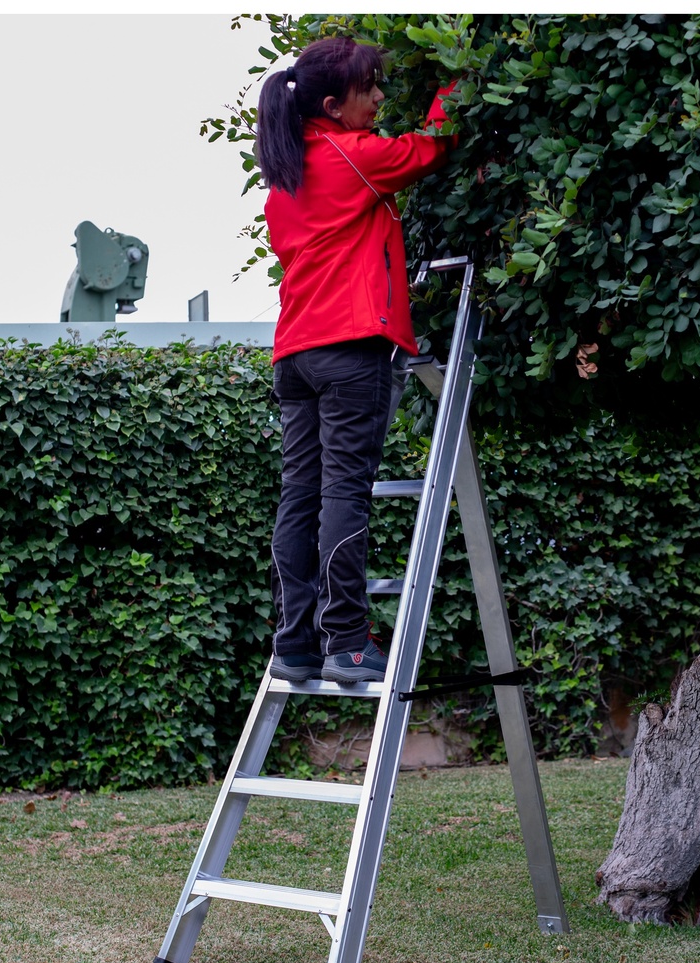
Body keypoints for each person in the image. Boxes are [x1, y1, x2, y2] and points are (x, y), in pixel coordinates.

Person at [254, 36, 456, 685]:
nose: (379, 98)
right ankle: (345, 639)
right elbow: (428, 147)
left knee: (300, 495)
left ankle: (295, 639)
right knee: (344, 491)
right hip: (348, 349)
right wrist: (460, 79)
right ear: (334, 105)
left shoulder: (284, 183)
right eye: (369, 89)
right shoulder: (355, 156)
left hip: (295, 353)